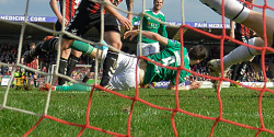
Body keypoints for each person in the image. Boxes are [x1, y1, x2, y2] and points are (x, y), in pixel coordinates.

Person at [26, 0, 149, 88]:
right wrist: (120, 17)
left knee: (116, 43)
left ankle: (105, 83)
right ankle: (39, 48)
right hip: (89, 10)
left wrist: (130, 15)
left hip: (107, 13)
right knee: (64, 45)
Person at [39, 29, 207, 92]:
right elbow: (172, 88)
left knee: (96, 53)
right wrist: (189, 87)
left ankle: (63, 39)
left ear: (191, 49)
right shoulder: (185, 69)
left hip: (133, 61)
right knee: (97, 88)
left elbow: (156, 36)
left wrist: (137, 31)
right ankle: (57, 89)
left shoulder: (180, 47)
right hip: (135, 78)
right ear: (198, 62)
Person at [49, 0, 87, 85]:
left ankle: (66, 78)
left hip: (76, 25)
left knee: (78, 52)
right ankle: (61, 82)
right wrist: (60, 17)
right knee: (66, 50)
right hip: (65, 24)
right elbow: (53, 1)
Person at [229, 0, 257, 83]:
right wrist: (232, 31)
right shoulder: (242, 5)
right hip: (241, 33)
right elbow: (232, 16)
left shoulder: (251, 6)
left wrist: (253, 29)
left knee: (243, 57)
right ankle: (236, 78)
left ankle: (235, 79)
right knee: (248, 54)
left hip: (247, 35)